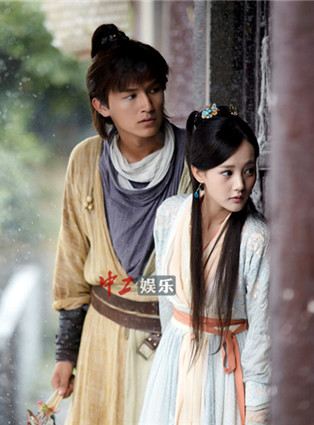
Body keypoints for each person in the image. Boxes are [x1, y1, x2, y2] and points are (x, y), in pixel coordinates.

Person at [50, 24, 191, 425]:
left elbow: (209, 266)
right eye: (130, 96)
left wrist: (141, 288)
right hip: (102, 338)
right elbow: (72, 258)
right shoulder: (86, 160)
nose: (147, 105)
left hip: (175, 339)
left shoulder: (193, 158)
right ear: (102, 106)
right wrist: (66, 353)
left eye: (154, 89)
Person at [139, 104, 271, 425]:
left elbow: (262, 332)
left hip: (226, 367)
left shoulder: (256, 238)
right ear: (199, 172)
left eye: (249, 170)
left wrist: (257, 405)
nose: (240, 184)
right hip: (176, 355)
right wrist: (134, 289)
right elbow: (167, 290)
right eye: (227, 172)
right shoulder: (170, 215)